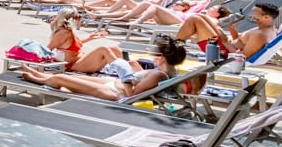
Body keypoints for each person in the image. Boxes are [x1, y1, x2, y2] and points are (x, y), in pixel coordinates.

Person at [20, 37, 188, 101]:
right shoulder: (170, 71)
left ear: (162, 57)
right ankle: (41, 74)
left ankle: (37, 78)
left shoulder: (158, 75)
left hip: (117, 93)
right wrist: (135, 70)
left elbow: (132, 96)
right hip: (114, 84)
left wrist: (126, 75)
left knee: (62, 79)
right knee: (75, 78)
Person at [176, 1, 282, 60]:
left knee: (195, 19)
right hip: (225, 44)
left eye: (254, 13)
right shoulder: (269, 29)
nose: (250, 15)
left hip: (221, 50)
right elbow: (241, 42)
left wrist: (225, 41)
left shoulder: (259, 35)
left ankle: (175, 48)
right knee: (200, 16)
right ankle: (177, 45)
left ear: (266, 17)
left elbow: (241, 58)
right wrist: (232, 29)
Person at [46, 7, 125, 73]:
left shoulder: (68, 30)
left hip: (81, 60)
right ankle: (124, 73)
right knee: (103, 49)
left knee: (115, 49)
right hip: (73, 65)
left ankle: (122, 70)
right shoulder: (63, 33)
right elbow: (48, 49)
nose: (79, 20)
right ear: (68, 19)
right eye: (77, 17)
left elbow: (75, 45)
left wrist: (90, 38)